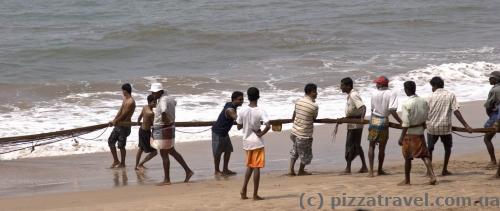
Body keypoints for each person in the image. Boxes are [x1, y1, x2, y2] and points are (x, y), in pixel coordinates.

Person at [426, 77, 473, 176]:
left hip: (432, 127)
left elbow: (426, 113)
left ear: (434, 86)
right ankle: (444, 169)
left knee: (430, 149)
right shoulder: (450, 95)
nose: (431, 89)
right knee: (447, 148)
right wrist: (466, 126)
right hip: (445, 127)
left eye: (432, 86)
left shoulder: (430, 97)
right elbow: (456, 111)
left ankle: (429, 171)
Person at [149, 83, 194, 185]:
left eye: (154, 92)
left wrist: (165, 120)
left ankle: (167, 179)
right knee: (172, 151)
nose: (152, 94)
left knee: (164, 153)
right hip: (169, 127)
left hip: (163, 128)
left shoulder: (163, 100)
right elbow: (174, 104)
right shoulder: (170, 98)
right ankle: (188, 171)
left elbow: (164, 111)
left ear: (159, 92)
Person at [398, 81, 436, 186]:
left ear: (406, 90)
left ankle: (407, 180)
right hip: (420, 132)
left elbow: (405, 123)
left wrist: (401, 137)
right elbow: (426, 115)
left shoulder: (406, 104)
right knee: (424, 155)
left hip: (409, 134)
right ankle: (432, 175)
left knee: (408, 157)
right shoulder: (423, 101)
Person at [237, 87, 270, 200]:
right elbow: (268, 125)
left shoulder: (242, 110)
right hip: (257, 142)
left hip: (246, 142)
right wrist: (261, 134)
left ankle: (243, 190)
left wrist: (246, 124)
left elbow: (238, 126)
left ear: (248, 97)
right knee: (256, 168)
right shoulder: (260, 111)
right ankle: (255, 194)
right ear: (258, 96)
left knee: (250, 166)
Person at [368, 76, 402, 177]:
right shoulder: (392, 93)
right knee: (382, 148)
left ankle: (370, 171)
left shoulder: (374, 93)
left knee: (371, 145)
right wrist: (400, 121)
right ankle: (379, 170)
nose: (376, 85)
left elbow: (372, 109)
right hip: (383, 120)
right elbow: (392, 110)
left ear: (381, 84)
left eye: (377, 83)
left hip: (374, 119)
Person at [289, 83, 319, 176]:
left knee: (295, 151)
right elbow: (314, 118)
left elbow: (294, 114)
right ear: (310, 92)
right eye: (315, 92)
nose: (316, 94)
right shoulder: (314, 106)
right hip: (304, 134)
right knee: (306, 154)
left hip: (294, 132)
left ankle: (291, 170)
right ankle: (301, 171)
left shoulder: (298, 101)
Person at [211, 91, 244, 176]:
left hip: (225, 133)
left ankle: (225, 169)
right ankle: (217, 171)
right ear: (234, 100)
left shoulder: (230, 104)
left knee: (228, 150)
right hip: (218, 132)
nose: (242, 101)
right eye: (240, 100)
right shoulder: (230, 109)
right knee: (218, 153)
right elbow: (236, 118)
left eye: (242, 99)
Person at [340, 77, 368, 174]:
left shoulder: (353, 95)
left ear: (348, 86)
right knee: (356, 145)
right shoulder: (350, 95)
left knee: (350, 145)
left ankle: (348, 168)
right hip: (353, 123)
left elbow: (363, 107)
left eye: (342, 85)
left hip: (355, 124)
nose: (341, 87)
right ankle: (364, 166)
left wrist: (361, 119)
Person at [108, 83, 136, 168]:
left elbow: (125, 114)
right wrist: (114, 120)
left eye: (122, 90)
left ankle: (123, 163)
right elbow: (120, 111)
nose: (122, 92)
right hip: (119, 125)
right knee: (111, 141)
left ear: (125, 91)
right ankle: (116, 160)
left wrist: (115, 121)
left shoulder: (131, 101)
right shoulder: (125, 99)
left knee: (121, 146)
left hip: (125, 126)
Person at [135, 94, 158, 171]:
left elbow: (140, 117)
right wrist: (153, 136)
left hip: (141, 130)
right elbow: (154, 125)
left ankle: (136, 166)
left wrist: (138, 122)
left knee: (140, 149)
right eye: (154, 102)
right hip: (146, 133)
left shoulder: (145, 107)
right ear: (150, 102)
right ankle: (140, 164)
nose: (156, 104)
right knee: (155, 152)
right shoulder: (151, 113)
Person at [484, 71, 500, 168]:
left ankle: (493, 161)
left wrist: (490, 115)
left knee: (487, 138)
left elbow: (488, 105)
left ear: (496, 79)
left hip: (496, 116)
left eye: (491, 77)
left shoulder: (495, 90)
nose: (489, 79)